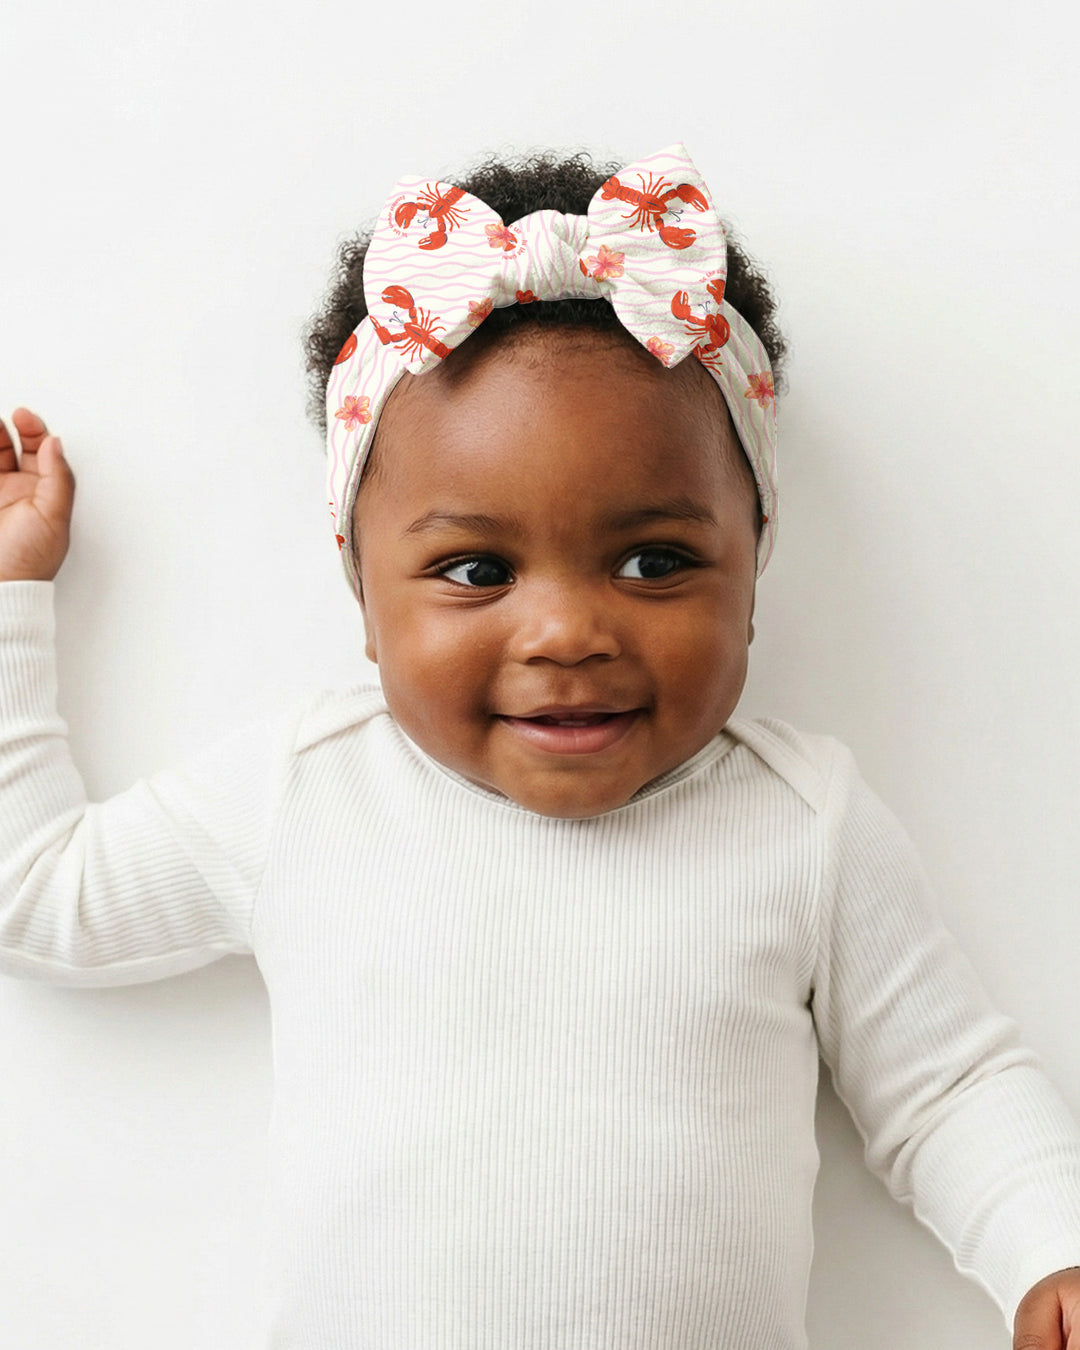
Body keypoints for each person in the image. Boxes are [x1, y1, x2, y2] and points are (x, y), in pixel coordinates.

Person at [1, 143, 1078, 1349]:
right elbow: (36, 894)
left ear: (755, 566)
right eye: (477, 571)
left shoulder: (800, 818)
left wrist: (1049, 1250)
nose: (567, 631)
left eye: (655, 561)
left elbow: (947, 1088)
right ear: (362, 591)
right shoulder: (305, 791)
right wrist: (10, 601)